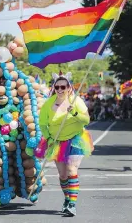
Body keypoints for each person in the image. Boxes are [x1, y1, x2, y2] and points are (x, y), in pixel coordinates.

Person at [35, 72, 93, 217]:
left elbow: (86, 120)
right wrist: (48, 138)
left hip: (75, 139)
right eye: (57, 87)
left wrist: (74, 113)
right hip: (57, 141)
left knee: (72, 170)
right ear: (54, 87)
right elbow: (42, 124)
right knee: (62, 175)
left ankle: (72, 204)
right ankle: (67, 199)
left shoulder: (76, 101)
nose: (60, 89)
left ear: (69, 87)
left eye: (63, 87)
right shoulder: (48, 103)